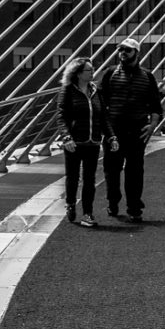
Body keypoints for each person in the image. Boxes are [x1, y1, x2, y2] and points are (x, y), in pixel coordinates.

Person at [92, 38, 164, 223]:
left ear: (136, 53)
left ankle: (134, 208)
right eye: (120, 49)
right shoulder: (109, 74)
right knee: (111, 169)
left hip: (137, 130)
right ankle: (113, 202)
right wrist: (102, 127)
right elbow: (99, 102)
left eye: (127, 50)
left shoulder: (147, 76)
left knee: (135, 170)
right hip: (113, 130)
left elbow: (156, 105)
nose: (122, 53)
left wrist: (152, 125)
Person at [58, 58, 100, 229]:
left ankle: (88, 213)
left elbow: (102, 115)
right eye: (89, 70)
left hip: (93, 142)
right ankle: (70, 204)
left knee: (90, 179)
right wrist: (66, 137)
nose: (92, 73)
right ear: (78, 73)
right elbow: (61, 116)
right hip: (74, 142)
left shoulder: (95, 90)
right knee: (73, 177)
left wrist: (110, 136)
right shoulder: (67, 90)